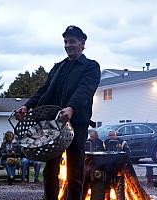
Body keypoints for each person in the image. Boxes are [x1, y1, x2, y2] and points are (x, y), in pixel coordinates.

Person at [15, 25, 101, 200]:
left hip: (77, 124)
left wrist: (71, 108)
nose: (68, 45)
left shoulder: (91, 66)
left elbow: (84, 90)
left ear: (82, 43)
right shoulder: (58, 67)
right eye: (65, 42)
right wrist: (27, 106)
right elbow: (44, 90)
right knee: (50, 170)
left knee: (75, 171)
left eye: (72, 41)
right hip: (53, 125)